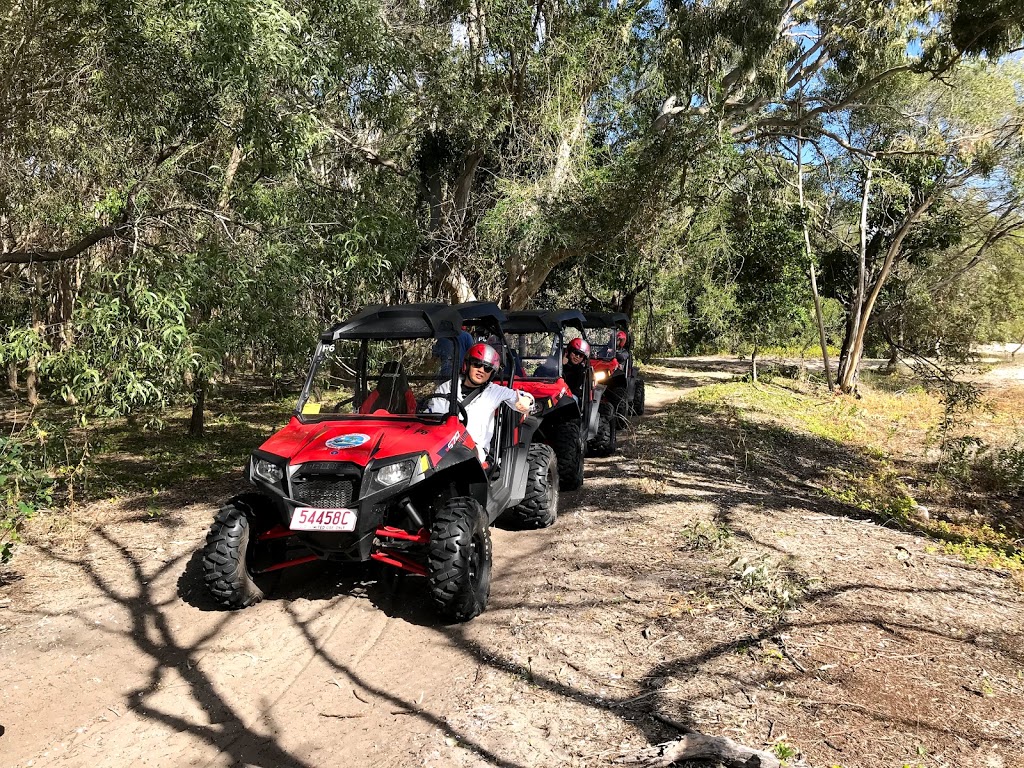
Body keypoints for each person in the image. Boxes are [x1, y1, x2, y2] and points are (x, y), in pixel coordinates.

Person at [425, 343, 531, 461]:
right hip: (442, 445)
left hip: (474, 449)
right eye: (477, 364)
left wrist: (527, 401)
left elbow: (522, 397)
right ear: (467, 365)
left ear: (492, 373)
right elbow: (432, 416)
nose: (481, 370)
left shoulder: (495, 391)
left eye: (487, 368)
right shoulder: (447, 387)